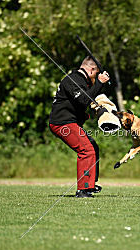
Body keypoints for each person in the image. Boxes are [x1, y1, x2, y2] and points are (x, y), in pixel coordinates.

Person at [49, 56, 110, 198]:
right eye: (96, 74)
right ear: (91, 70)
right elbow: (83, 100)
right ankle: (83, 189)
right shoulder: (73, 79)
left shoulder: (80, 80)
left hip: (70, 122)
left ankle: (90, 184)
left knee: (92, 146)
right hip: (62, 123)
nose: (96, 78)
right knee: (86, 150)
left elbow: (84, 100)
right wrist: (100, 83)